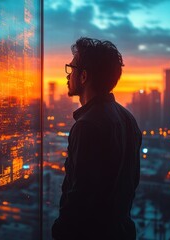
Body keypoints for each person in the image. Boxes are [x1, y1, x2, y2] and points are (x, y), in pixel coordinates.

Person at [51, 37, 142, 240]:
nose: (67, 75)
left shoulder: (87, 126)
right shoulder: (128, 119)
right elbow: (132, 182)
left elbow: (78, 196)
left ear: (83, 76)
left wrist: (59, 231)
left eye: (71, 68)